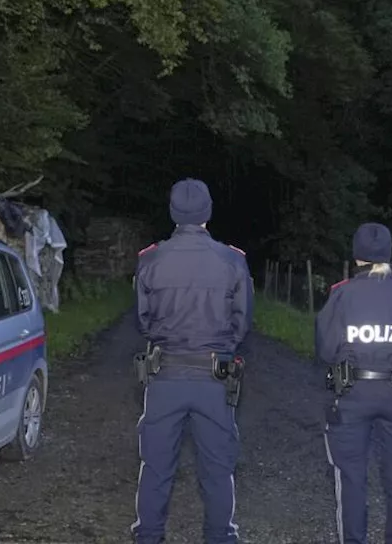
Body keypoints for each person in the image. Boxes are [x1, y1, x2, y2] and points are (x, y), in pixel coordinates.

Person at [130, 178, 253, 544]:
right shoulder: (232, 260)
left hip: (165, 374)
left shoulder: (150, 259)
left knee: (155, 467)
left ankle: (149, 536)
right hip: (214, 377)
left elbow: (143, 321)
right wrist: (220, 348)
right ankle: (221, 537)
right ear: (208, 212)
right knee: (217, 469)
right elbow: (241, 322)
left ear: (172, 212)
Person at [315, 222, 392, 544]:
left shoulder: (342, 294)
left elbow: (326, 350)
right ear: (389, 256)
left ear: (357, 258)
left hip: (352, 395)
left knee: (351, 478)